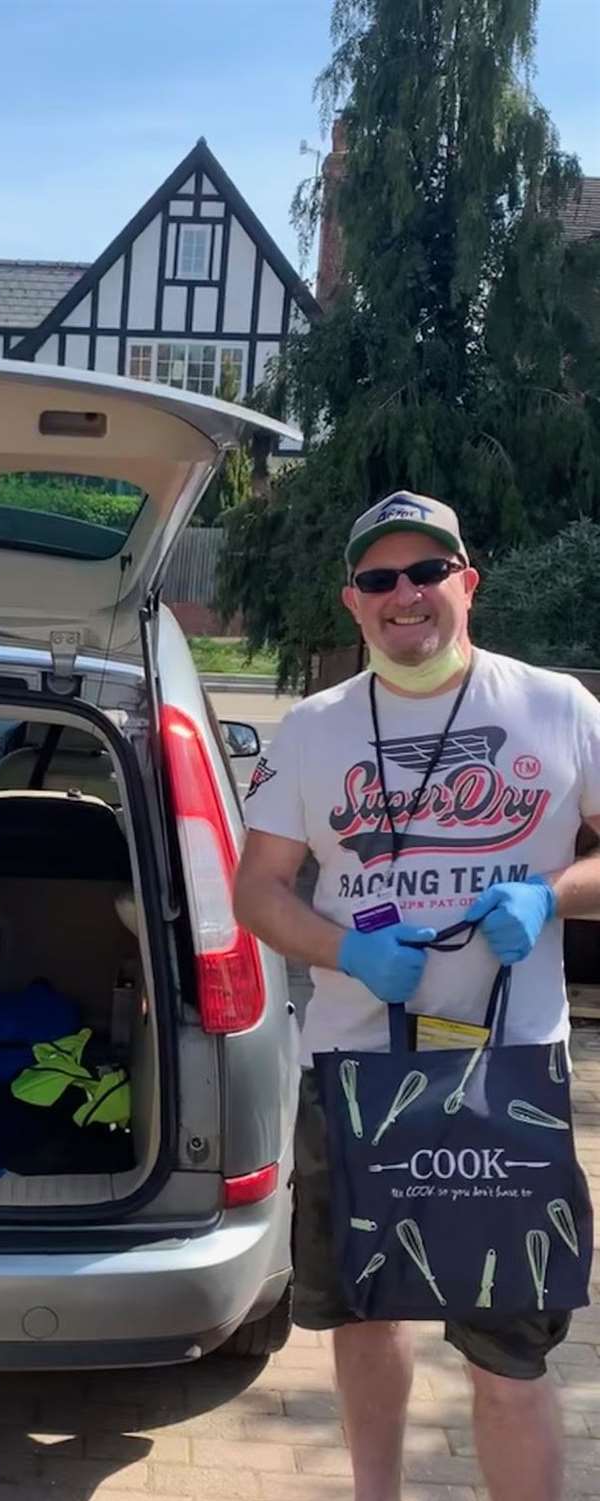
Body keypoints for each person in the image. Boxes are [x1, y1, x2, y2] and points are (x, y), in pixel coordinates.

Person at [234, 491, 600, 1501]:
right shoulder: (312, 730)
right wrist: (346, 948)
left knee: (509, 1352)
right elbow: (257, 887)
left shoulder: (557, 707)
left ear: (466, 583)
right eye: (382, 579)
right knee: (367, 1314)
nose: (407, 595)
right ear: (354, 601)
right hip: (357, 1076)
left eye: (428, 572)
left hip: (510, 1071)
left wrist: (552, 891)